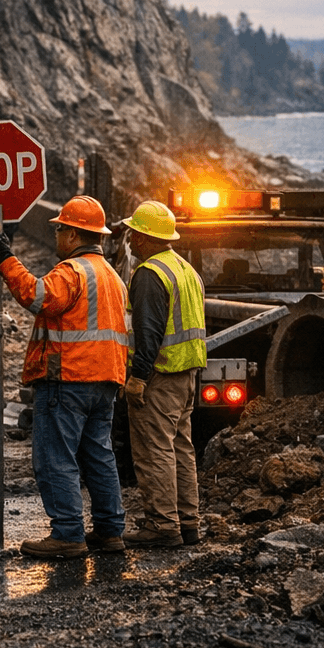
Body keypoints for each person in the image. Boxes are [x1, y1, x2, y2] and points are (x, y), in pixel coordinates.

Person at [0, 195, 129, 559]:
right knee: (98, 455)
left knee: (55, 458)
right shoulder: (112, 276)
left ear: (73, 234)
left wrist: (5, 259)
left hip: (68, 378)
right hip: (106, 380)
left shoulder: (72, 271)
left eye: (60, 229)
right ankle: (110, 531)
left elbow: (37, 297)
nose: (57, 236)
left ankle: (68, 534)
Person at [121, 200, 208, 548]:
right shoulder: (187, 270)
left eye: (132, 233)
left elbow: (149, 332)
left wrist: (137, 377)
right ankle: (188, 523)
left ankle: (161, 525)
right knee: (181, 449)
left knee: (154, 450)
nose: (128, 239)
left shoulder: (149, 274)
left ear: (143, 237)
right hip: (186, 375)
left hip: (159, 375)